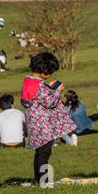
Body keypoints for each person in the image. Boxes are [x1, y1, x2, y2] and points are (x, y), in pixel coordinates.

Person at [21, 52, 77, 185]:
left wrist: (49, 88)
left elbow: (37, 98)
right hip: (42, 124)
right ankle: (43, 181)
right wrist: (57, 91)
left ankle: (37, 180)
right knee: (45, 153)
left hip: (34, 123)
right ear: (44, 70)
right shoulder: (40, 85)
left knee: (39, 152)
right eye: (50, 71)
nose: (51, 74)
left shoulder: (28, 80)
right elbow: (49, 102)